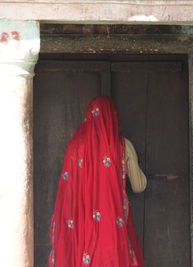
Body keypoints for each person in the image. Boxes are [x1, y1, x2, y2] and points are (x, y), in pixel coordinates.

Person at [48, 96, 146, 267]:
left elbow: (67, 194)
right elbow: (138, 187)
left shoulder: (75, 147)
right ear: (114, 117)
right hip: (112, 228)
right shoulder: (123, 146)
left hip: (80, 231)